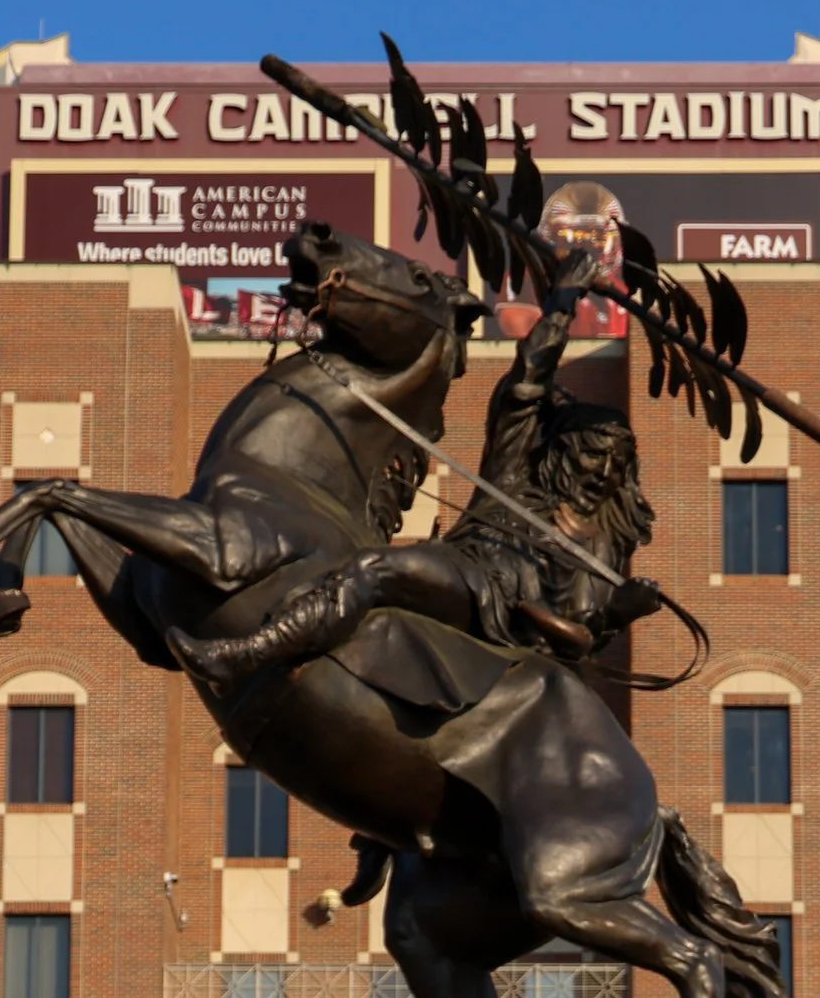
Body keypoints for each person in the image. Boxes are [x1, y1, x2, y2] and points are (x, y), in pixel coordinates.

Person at [178, 276, 670, 689]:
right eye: (593, 457)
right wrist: (562, 304)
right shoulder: (516, 475)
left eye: (615, 466)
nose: (602, 474)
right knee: (373, 569)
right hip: (473, 579)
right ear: (562, 453)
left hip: (517, 647)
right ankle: (251, 652)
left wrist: (617, 613)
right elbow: (526, 382)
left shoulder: (602, 546)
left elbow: (578, 635)